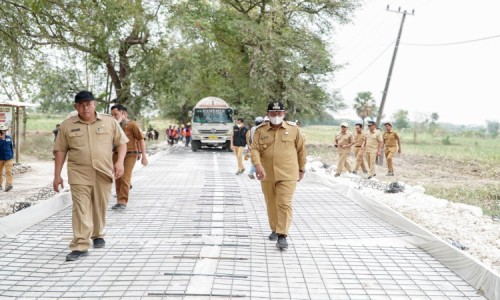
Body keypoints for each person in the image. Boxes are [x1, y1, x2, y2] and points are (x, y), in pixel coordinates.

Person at [53, 91, 128, 262]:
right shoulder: (67, 126)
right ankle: (80, 244)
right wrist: (57, 175)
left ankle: (98, 233)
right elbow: (60, 151)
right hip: (78, 173)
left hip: (103, 171)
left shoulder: (109, 122)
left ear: (94, 104)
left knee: (100, 206)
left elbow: (122, 142)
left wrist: (120, 162)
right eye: (81, 104)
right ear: (76, 107)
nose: (85, 107)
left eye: (88, 104)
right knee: (80, 208)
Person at [251, 101, 306, 250]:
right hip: (266, 173)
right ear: (268, 114)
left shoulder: (294, 130)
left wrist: (302, 169)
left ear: (284, 114)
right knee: (271, 203)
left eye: (279, 113)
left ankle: (282, 235)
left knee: (284, 202)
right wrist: (257, 165)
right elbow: (254, 149)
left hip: (288, 173)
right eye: (273, 113)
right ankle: (275, 228)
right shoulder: (260, 131)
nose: (276, 116)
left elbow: (301, 150)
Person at [110, 104, 148, 210]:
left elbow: (141, 139)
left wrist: (144, 155)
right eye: (112, 115)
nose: (114, 117)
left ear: (123, 113)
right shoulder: (113, 125)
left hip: (130, 154)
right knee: (118, 177)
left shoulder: (132, 125)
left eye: (116, 114)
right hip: (116, 154)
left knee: (125, 177)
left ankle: (122, 202)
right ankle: (119, 200)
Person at [0, 124, 14, 192]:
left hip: (8, 158)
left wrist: (12, 155)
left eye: (5, 130)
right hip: (0, 158)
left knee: (9, 171)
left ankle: (9, 185)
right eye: (2, 131)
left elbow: (11, 147)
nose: (4, 132)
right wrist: (2, 139)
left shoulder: (9, 138)